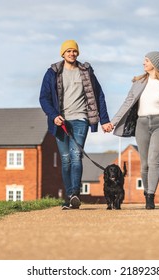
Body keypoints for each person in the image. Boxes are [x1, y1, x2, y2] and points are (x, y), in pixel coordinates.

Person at [39, 40, 113, 210]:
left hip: (80, 119)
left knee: (75, 156)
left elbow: (98, 95)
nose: (72, 54)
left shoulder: (86, 72)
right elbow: (44, 98)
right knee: (65, 160)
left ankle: (75, 195)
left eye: (74, 51)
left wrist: (105, 120)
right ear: (63, 54)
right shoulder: (52, 73)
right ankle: (69, 195)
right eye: (68, 51)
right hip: (61, 121)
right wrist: (53, 116)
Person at [111, 49, 159, 209]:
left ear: (155, 64)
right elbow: (127, 103)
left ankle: (150, 196)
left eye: (147, 61)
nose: (144, 63)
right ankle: (146, 191)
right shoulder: (139, 82)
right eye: (144, 60)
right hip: (142, 124)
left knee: (153, 161)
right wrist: (113, 122)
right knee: (144, 164)